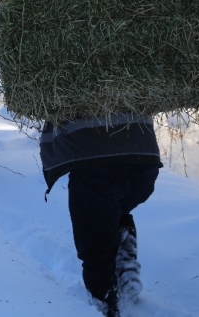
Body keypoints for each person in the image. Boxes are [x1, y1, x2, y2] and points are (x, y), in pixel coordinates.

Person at [39, 115, 163, 317]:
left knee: (95, 249)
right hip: (144, 160)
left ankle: (104, 309)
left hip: (95, 163)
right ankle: (123, 256)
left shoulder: (68, 85)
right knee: (112, 211)